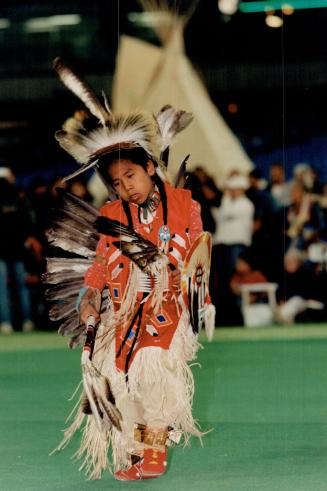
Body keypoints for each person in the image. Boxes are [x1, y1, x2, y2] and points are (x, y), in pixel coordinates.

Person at [47, 58, 214, 481]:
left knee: (154, 369)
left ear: (150, 168)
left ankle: (156, 451)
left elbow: (197, 251)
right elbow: (102, 263)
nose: (125, 187)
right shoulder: (112, 214)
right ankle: (138, 449)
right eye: (116, 182)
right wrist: (89, 298)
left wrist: (193, 292)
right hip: (121, 309)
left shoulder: (181, 204)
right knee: (119, 377)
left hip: (166, 306)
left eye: (131, 176)